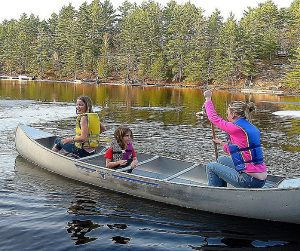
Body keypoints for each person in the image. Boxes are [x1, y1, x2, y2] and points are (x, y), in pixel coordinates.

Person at [201, 90, 267, 188]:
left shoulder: (236, 127)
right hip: (259, 178)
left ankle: (214, 194)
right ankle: (222, 188)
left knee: (211, 166)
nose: (227, 115)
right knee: (221, 160)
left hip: (249, 180)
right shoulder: (250, 127)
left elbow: (214, 118)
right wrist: (222, 143)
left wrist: (208, 99)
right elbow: (240, 150)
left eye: (227, 113)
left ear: (233, 114)